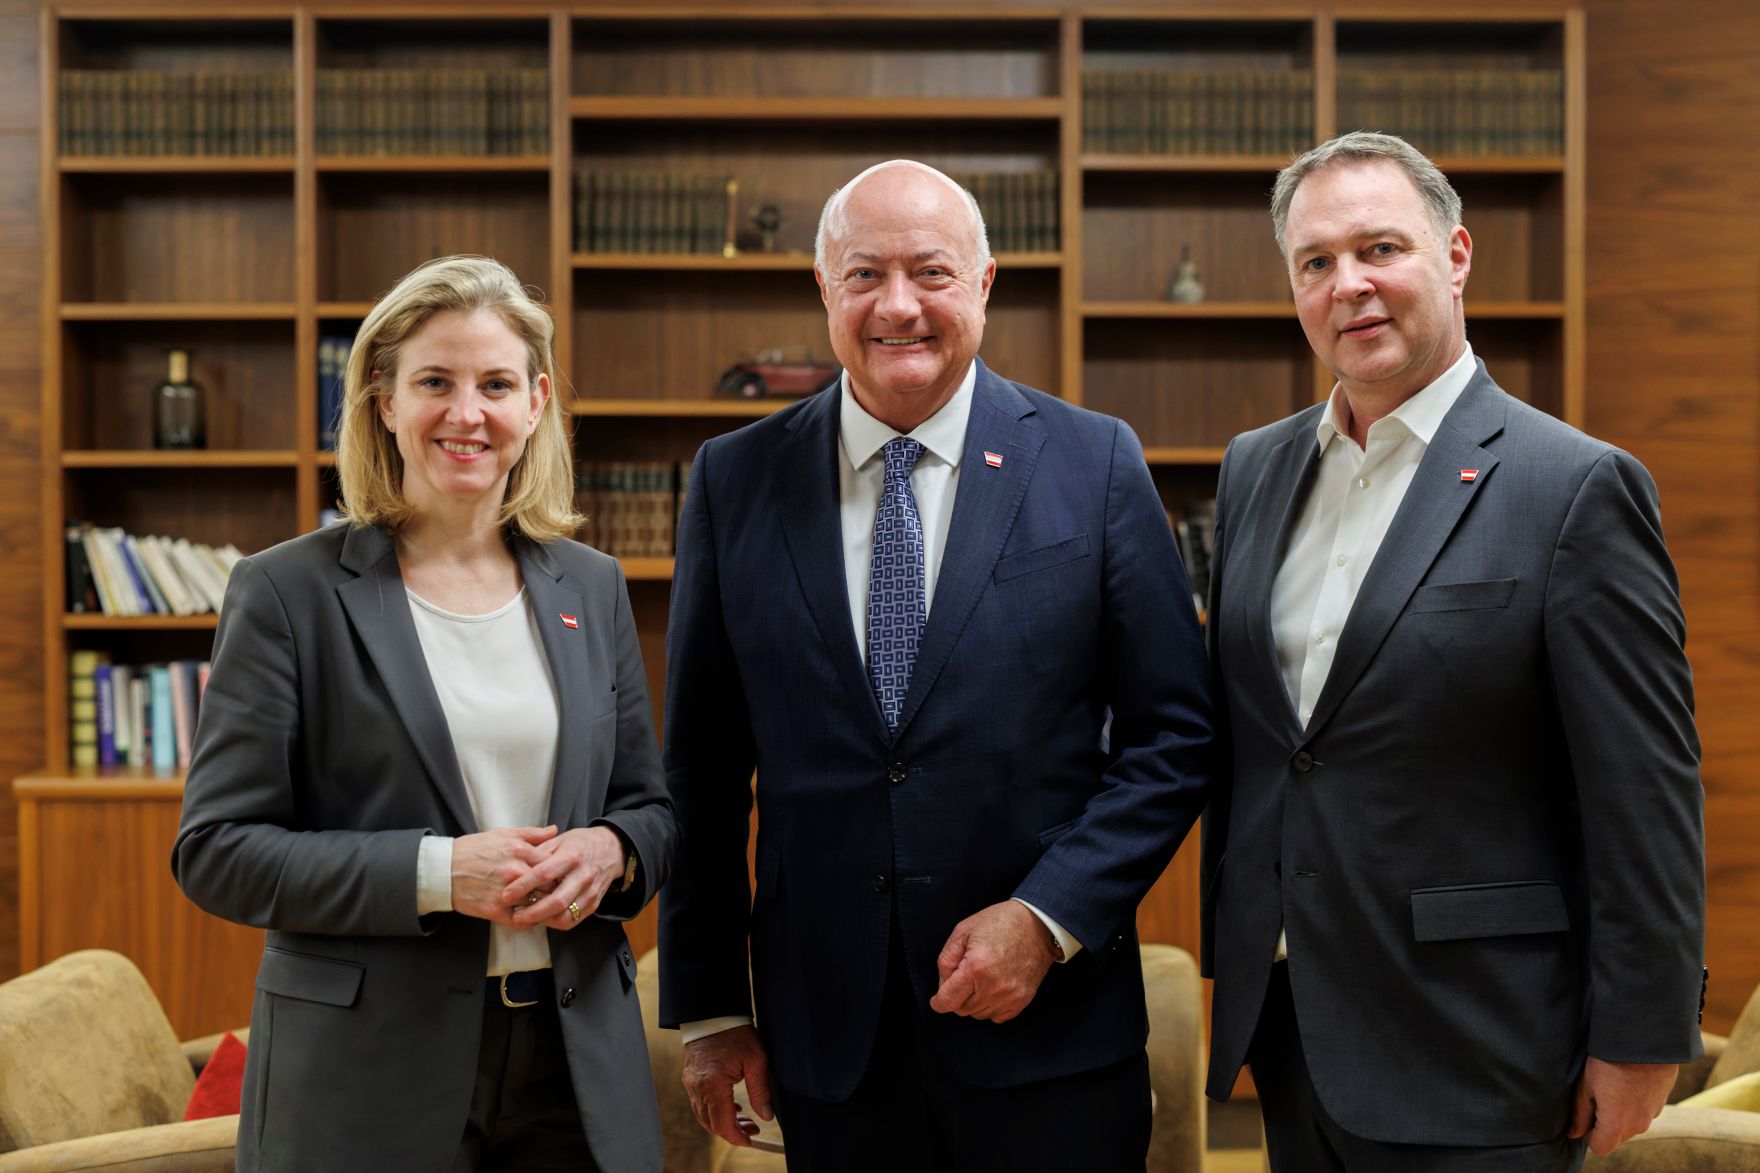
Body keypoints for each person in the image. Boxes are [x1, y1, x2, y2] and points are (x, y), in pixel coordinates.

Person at [655, 159, 1215, 1172]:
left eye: (931, 273)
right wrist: (707, 1008)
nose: (897, 305)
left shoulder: (1094, 463)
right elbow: (698, 767)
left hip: (1050, 1037)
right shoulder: (733, 480)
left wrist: (1047, 921)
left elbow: (1173, 736)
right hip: (828, 1047)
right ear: (823, 291)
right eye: (864, 274)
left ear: (985, 283)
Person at [1201, 131, 1706, 1171]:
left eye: (1378, 248)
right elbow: (1270, 745)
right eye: (1315, 262)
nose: (1349, 285)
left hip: (1479, 1040)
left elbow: (1643, 792)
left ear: (1456, 255)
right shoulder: (1252, 469)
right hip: (1293, 1026)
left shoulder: (1572, 487)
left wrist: (1642, 1035)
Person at [172, 255, 677, 1173]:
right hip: (365, 1079)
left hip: (575, 1068)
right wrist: (441, 872)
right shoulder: (286, 591)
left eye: (495, 384)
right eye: (434, 382)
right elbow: (216, 850)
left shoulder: (591, 587)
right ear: (383, 402)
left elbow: (650, 806)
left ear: (536, 402)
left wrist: (614, 851)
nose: (466, 413)